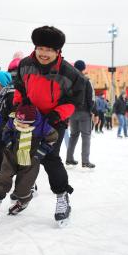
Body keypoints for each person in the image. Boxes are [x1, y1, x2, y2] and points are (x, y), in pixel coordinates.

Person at [14, 25, 85, 224]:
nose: (44, 54)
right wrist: (21, 103)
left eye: (49, 50)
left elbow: (75, 100)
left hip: (54, 121)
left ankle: (62, 195)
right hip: (30, 118)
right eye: (40, 48)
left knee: (49, 158)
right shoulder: (25, 64)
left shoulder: (69, 73)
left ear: (58, 51)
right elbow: (19, 86)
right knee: (23, 154)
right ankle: (24, 192)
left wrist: (57, 114)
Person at [0, 103, 58, 225]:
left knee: (24, 186)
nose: (21, 125)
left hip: (30, 160)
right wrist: (8, 143)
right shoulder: (13, 120)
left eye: (24, 123)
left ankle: (23, 201)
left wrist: (40, 152)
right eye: (19, 122)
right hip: (11, 155)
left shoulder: (42, 125)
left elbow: (53, 137)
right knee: (3, 177)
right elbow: (6, 130)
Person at [65, 60, 96, 168]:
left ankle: (69, 158)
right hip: (84, 112)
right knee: (86, 136)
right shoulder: (87, 80)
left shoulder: (70, 80)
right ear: (84, 68)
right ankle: (85, 161)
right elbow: (91, 97)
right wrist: (91, 110)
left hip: (72, 112)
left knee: (73, 136)